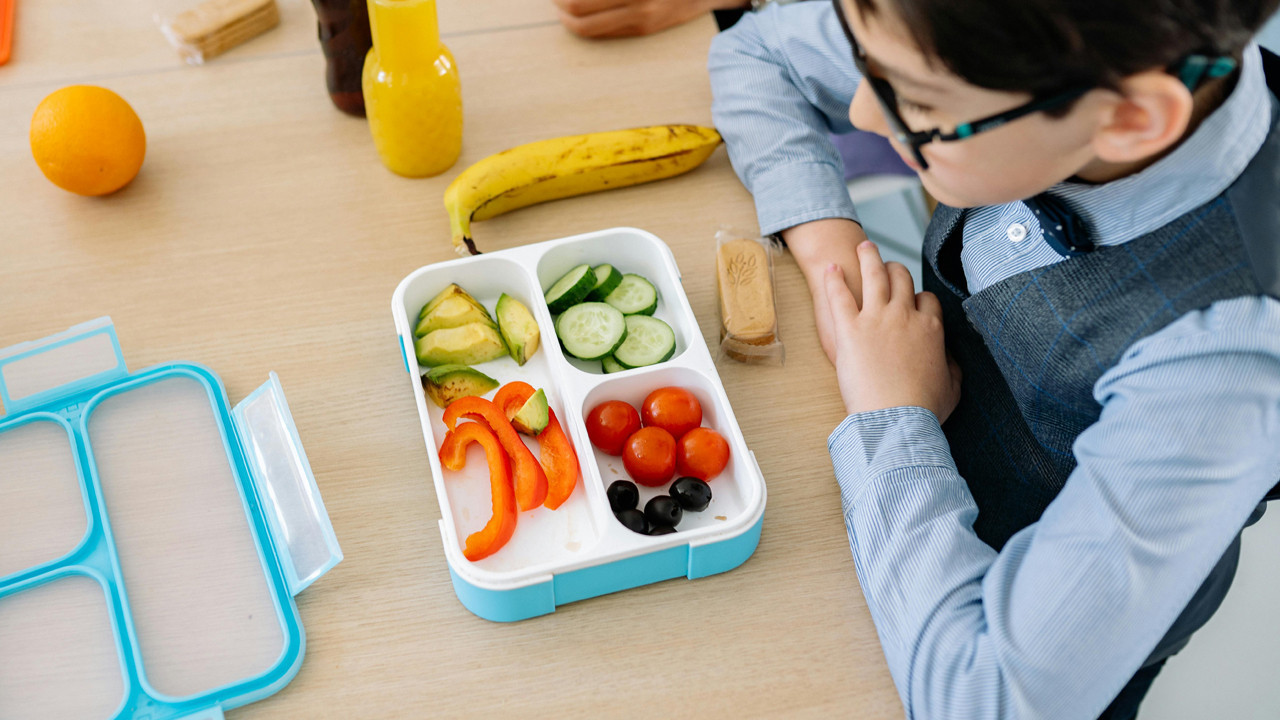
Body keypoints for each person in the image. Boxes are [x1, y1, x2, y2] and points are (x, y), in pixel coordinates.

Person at [709, 1, 1280, 718]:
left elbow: (985, 699)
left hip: (996, 618)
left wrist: (894, 412)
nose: (861, 115)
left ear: (1131, 120)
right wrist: (834, 261)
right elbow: (758, 51)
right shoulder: (995, 39)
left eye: (917, 104)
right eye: (861, 61)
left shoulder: (1220, 363)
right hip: (867, 516)